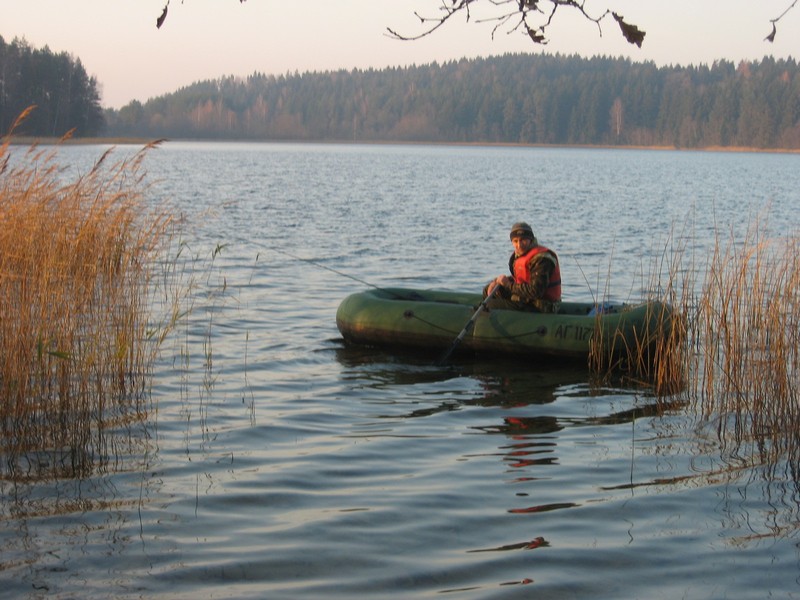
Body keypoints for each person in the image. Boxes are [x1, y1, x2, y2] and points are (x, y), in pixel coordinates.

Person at [483, 222, 561, 313]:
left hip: (541, 305)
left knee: (489, 305)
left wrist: (508, 285)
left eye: (523, 240)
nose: (519, 245)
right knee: (487, 290)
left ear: (530, 240)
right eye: (515, 241)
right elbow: (522, 278)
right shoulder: (521, 254)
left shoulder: (542, 259)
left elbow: (535, 291)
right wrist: (497, 281)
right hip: (527, 299)